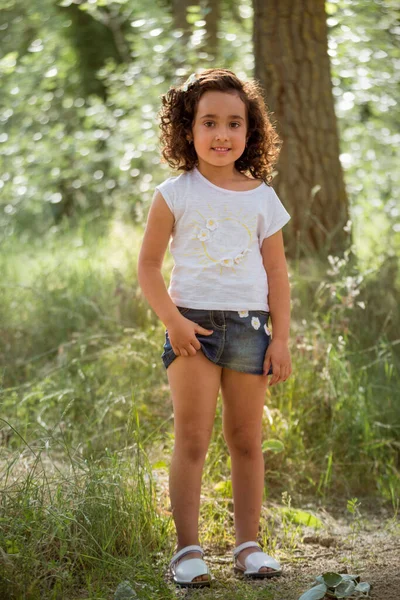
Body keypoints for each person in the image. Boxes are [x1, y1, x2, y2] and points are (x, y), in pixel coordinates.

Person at [138, 68, 292, 587]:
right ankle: (187, 551)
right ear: (188, 129)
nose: (222, 134)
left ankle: (248, 545)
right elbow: (147, 267)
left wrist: (283, 340)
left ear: (251, 133)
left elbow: (277, 273)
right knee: (192, 438)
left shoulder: (261, 198)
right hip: (192, 331)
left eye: (234, 123)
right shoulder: (174, 194)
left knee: (247, 439)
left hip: (252, 328)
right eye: (209, 122)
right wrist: (172, 322)